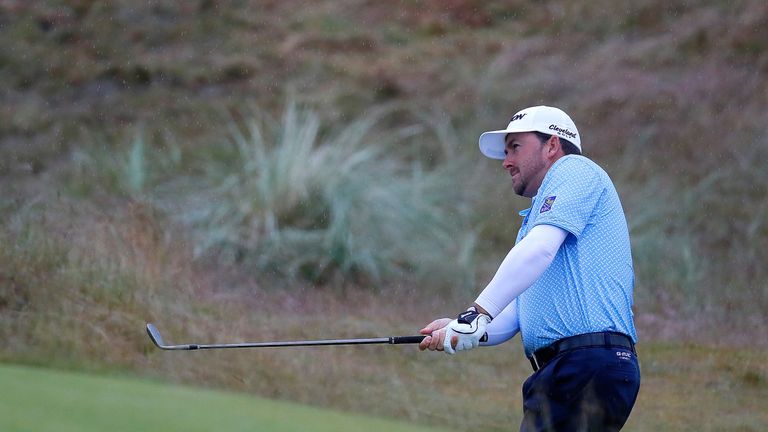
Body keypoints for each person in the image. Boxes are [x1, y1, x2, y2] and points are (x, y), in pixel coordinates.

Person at [418, 106, 641, 431]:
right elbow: (512, 317)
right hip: (571, 369)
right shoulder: (537, 221)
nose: (506, 161)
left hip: (586, 363)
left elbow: (538, 251)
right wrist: (461, 328)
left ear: (552, 146)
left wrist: (475, 313)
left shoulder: (575, 170)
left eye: (516, 147)